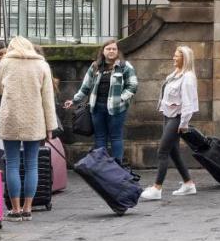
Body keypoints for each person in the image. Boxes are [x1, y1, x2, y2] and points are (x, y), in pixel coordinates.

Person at [0, 36, 58, 221]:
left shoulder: (6, 63)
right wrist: (50, 126)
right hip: (34, 120)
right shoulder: (42, 65)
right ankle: (28, 207)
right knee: (32, 164)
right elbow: (48, 99)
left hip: (10, 118)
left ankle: (15, 209)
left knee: (12, 164)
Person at [141, 46, 199, 201]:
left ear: (185, 58)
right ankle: (188, 183)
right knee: (173, 152)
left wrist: (184, 123)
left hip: (178, 118)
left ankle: (157, 188)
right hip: (168, 116)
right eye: (174, 55)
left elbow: (188, 103)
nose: (174, 58)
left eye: (177, 56)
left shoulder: (187, 77)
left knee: (162, 151)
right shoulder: (175, 74)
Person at [66, 39, 137, 163]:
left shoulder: (125, 66)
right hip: (97, 108)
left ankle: (117, 168)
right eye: (108, 49)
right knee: (100, 137)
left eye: (114, 49)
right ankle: (101, 167)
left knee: (116, 138)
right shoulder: (95, 67)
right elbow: (85, 87)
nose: (111, 51)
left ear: (117, 51)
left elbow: (133, 85)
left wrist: (121, 98)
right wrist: (74, 100)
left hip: (117, 109)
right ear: (103, 51)